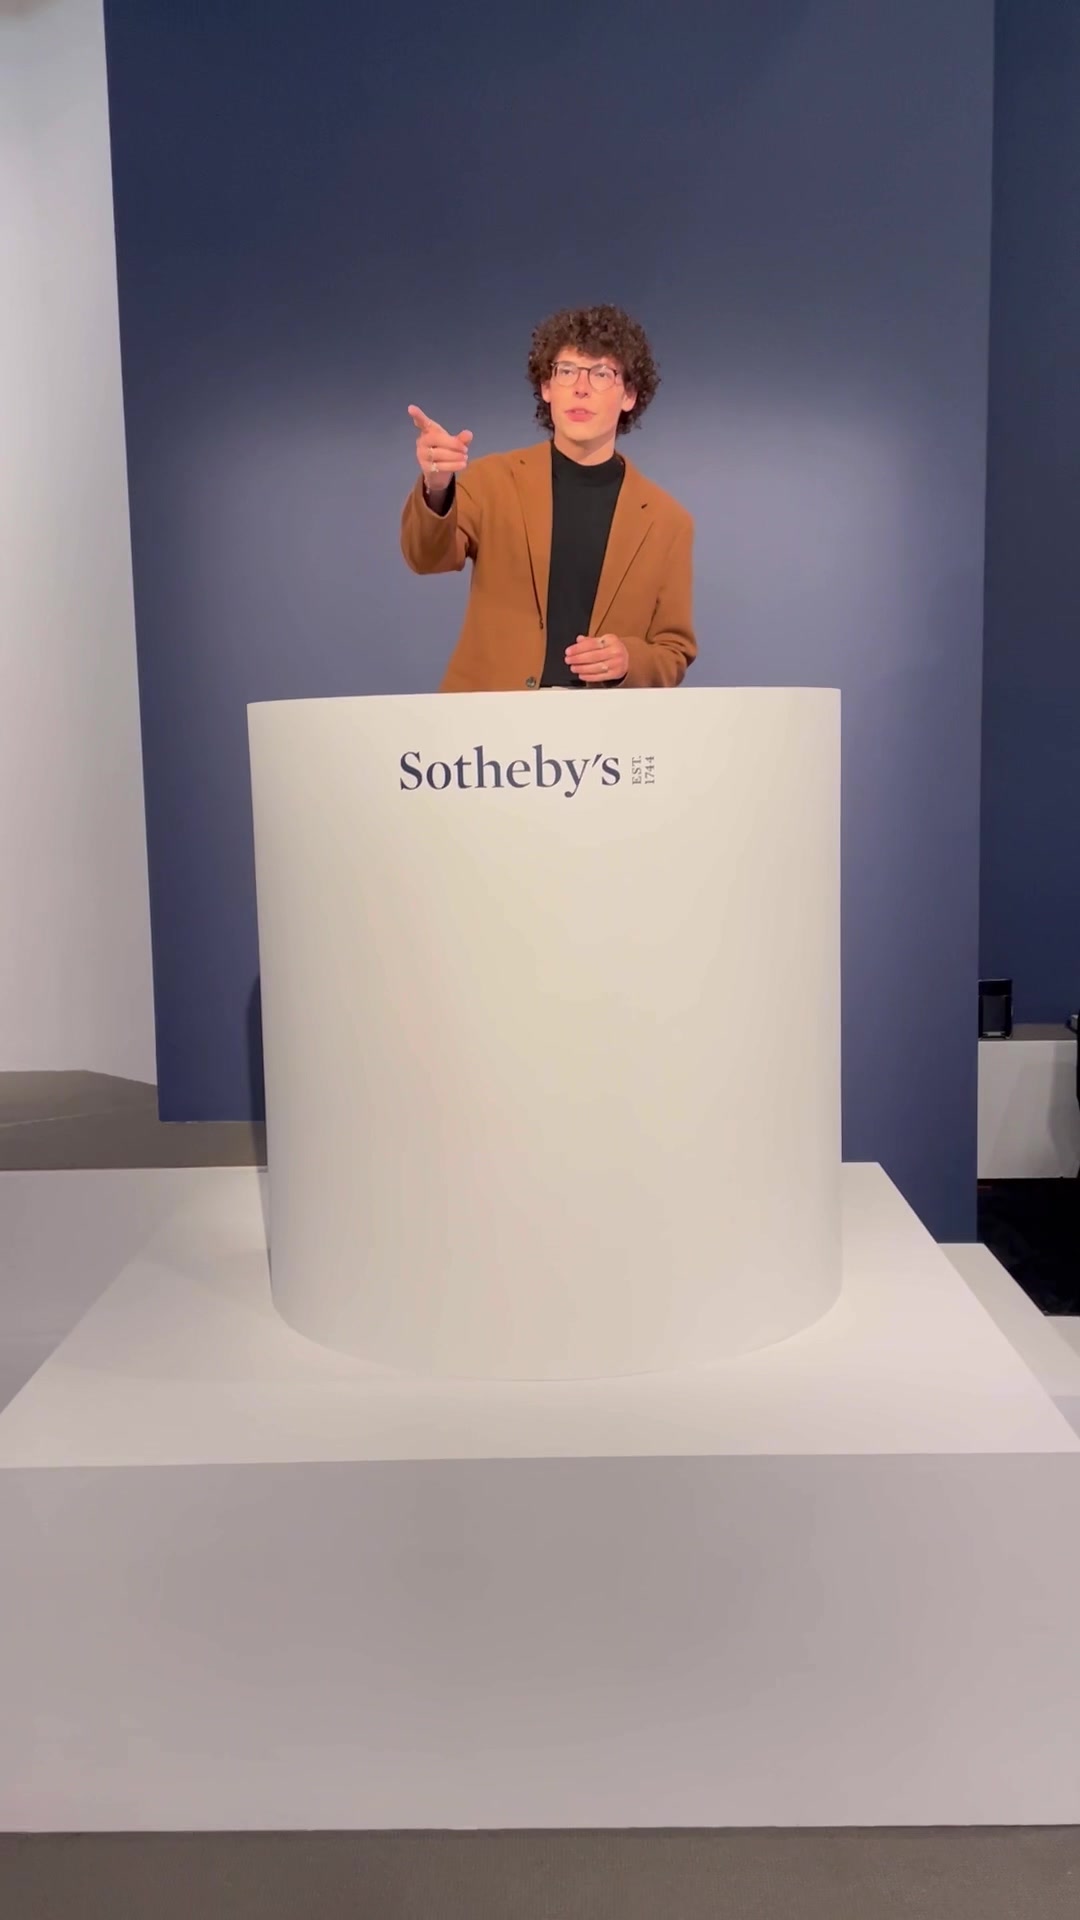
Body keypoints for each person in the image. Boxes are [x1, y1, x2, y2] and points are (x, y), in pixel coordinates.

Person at [400, 304, 696, 693]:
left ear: (629, 395)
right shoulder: (494, 481)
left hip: (603, 727)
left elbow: (673, 651)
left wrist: (628, 661)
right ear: (546, 387)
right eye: (566, 371)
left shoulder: (667, 521)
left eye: (601, 374)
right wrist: (437, 485)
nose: (580, 387)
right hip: (490, 721)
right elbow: (426, 558)